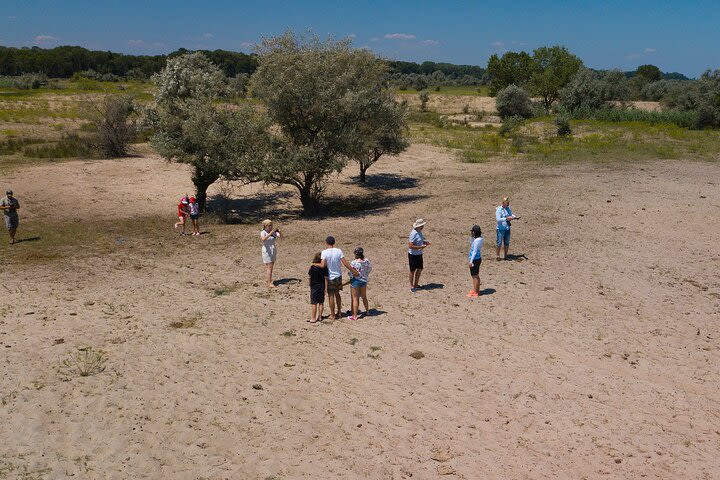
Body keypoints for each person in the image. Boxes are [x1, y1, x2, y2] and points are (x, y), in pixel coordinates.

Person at [320, 236, 359, 321]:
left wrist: (314, 265)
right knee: (337, 294)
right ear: (334, 243)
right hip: (338, 276)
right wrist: (353, 271)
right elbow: (345, 263)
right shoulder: (339, 251)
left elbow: (323, 265)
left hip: (330, 277)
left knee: (331, 295)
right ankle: (339, 312)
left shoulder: (324, 252)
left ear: (326, 243)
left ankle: (332, 314)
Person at [348, 247, 372, 321]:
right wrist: (365, 275)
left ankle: (355, 316)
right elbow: (369, 268)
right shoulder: (366, 261)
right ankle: (367, 311)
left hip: (355, 281)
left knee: (355, 298)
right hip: (364, 280)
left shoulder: (354, 262)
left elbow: (351, 273)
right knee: (364, 297)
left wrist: (350, 275)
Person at [408, 218, 430, 292]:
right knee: (412, 270)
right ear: (419, 226)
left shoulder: (419, 232)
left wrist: (425, 241)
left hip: (419, 254)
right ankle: (411, 286)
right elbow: (410, 246)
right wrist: (421, 247)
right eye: (422, 225)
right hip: (413, 255)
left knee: (420, 269)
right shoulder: (413, 233)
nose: (423, 226)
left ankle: (416, 284)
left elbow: (420, 240)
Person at [260, 219, 281, 288]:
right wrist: (270, 234)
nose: (271, 227)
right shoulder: (263, 232)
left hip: (273, 249)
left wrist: (280, 232)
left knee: (270, 266)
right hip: (266, 250)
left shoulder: (273, 232)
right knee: (269, 266)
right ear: (265, 226)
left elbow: (281, 237)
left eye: (271, 225)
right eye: (269, 225)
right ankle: (269, 283)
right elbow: (263, 239)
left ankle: (269, 280)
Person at [308, 253, 327, 324]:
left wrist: (310, 284)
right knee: (321, 302)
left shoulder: (313, 267)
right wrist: (325, 288)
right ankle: (320, 316)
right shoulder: (324, 267)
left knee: (314, 302)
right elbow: (326, 279)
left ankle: (313, 318)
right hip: (322, 285)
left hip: (314, 286)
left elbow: (310, 276)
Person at [467, 225, 484, 298]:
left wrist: (471, 261)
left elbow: (474, 251)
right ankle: (475, 290)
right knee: (474, 275)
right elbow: (470, 242)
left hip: (475, 260)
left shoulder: (477, 241)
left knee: (475, 276)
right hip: (476, 259)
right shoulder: (479, 238)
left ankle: (476, 292)